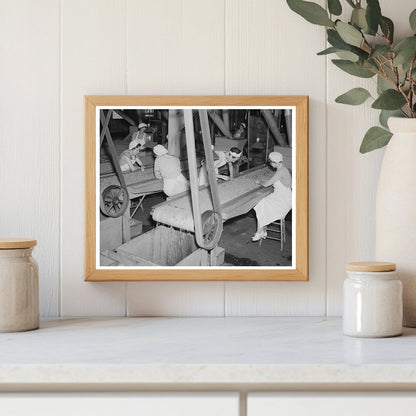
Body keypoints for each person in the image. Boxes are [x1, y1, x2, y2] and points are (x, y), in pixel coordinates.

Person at [252, 151, 292, 242]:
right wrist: (266, 180)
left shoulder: (280, 171)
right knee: (263, 204)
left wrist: (259, 182)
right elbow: (277, 180)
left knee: (261, 204)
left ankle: (259, 232)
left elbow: (266, 185)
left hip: (283, 201)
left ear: (275, 162)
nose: (270, 165)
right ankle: (263, 231)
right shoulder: (283, 169)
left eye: (271, 163)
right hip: (284, 196)